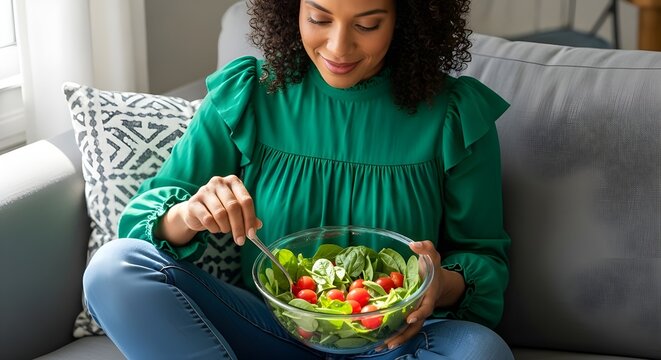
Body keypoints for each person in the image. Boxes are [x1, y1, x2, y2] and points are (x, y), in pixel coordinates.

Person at [83, 0, 514, 358]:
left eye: (367, 24)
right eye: (319, 18)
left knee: (482, 353)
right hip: (265, 332)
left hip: (395, 344)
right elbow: (139, 223)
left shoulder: (454, 116)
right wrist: (189, 213)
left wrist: (440, 285)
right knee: (112, 269)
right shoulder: (248, 94)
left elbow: (485, 260)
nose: (338, 46)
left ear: (407, 19)